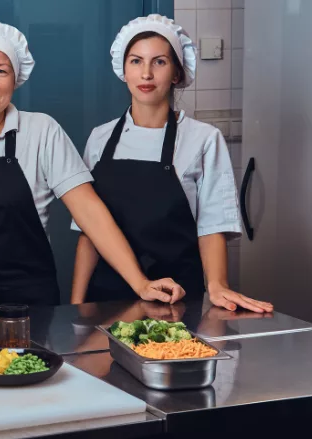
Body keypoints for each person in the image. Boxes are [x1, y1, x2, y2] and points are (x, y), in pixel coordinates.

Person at [0, 21, 183, 349]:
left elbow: (89, 209)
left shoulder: (41, 132)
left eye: (0, 71)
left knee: (29, 392)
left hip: (25, 312)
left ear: (16, 79)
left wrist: (140, 282)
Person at [70, 15, 273, 313]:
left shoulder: (203, 139)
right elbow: (90, 231)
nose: (146, 74)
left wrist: (217, 285)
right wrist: (76, 305)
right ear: (123, 70)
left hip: (177, 299)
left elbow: (212, 224)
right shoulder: (100, 139)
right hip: (106, 299)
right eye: (136, 62)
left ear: (177, 74)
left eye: (160, 62)